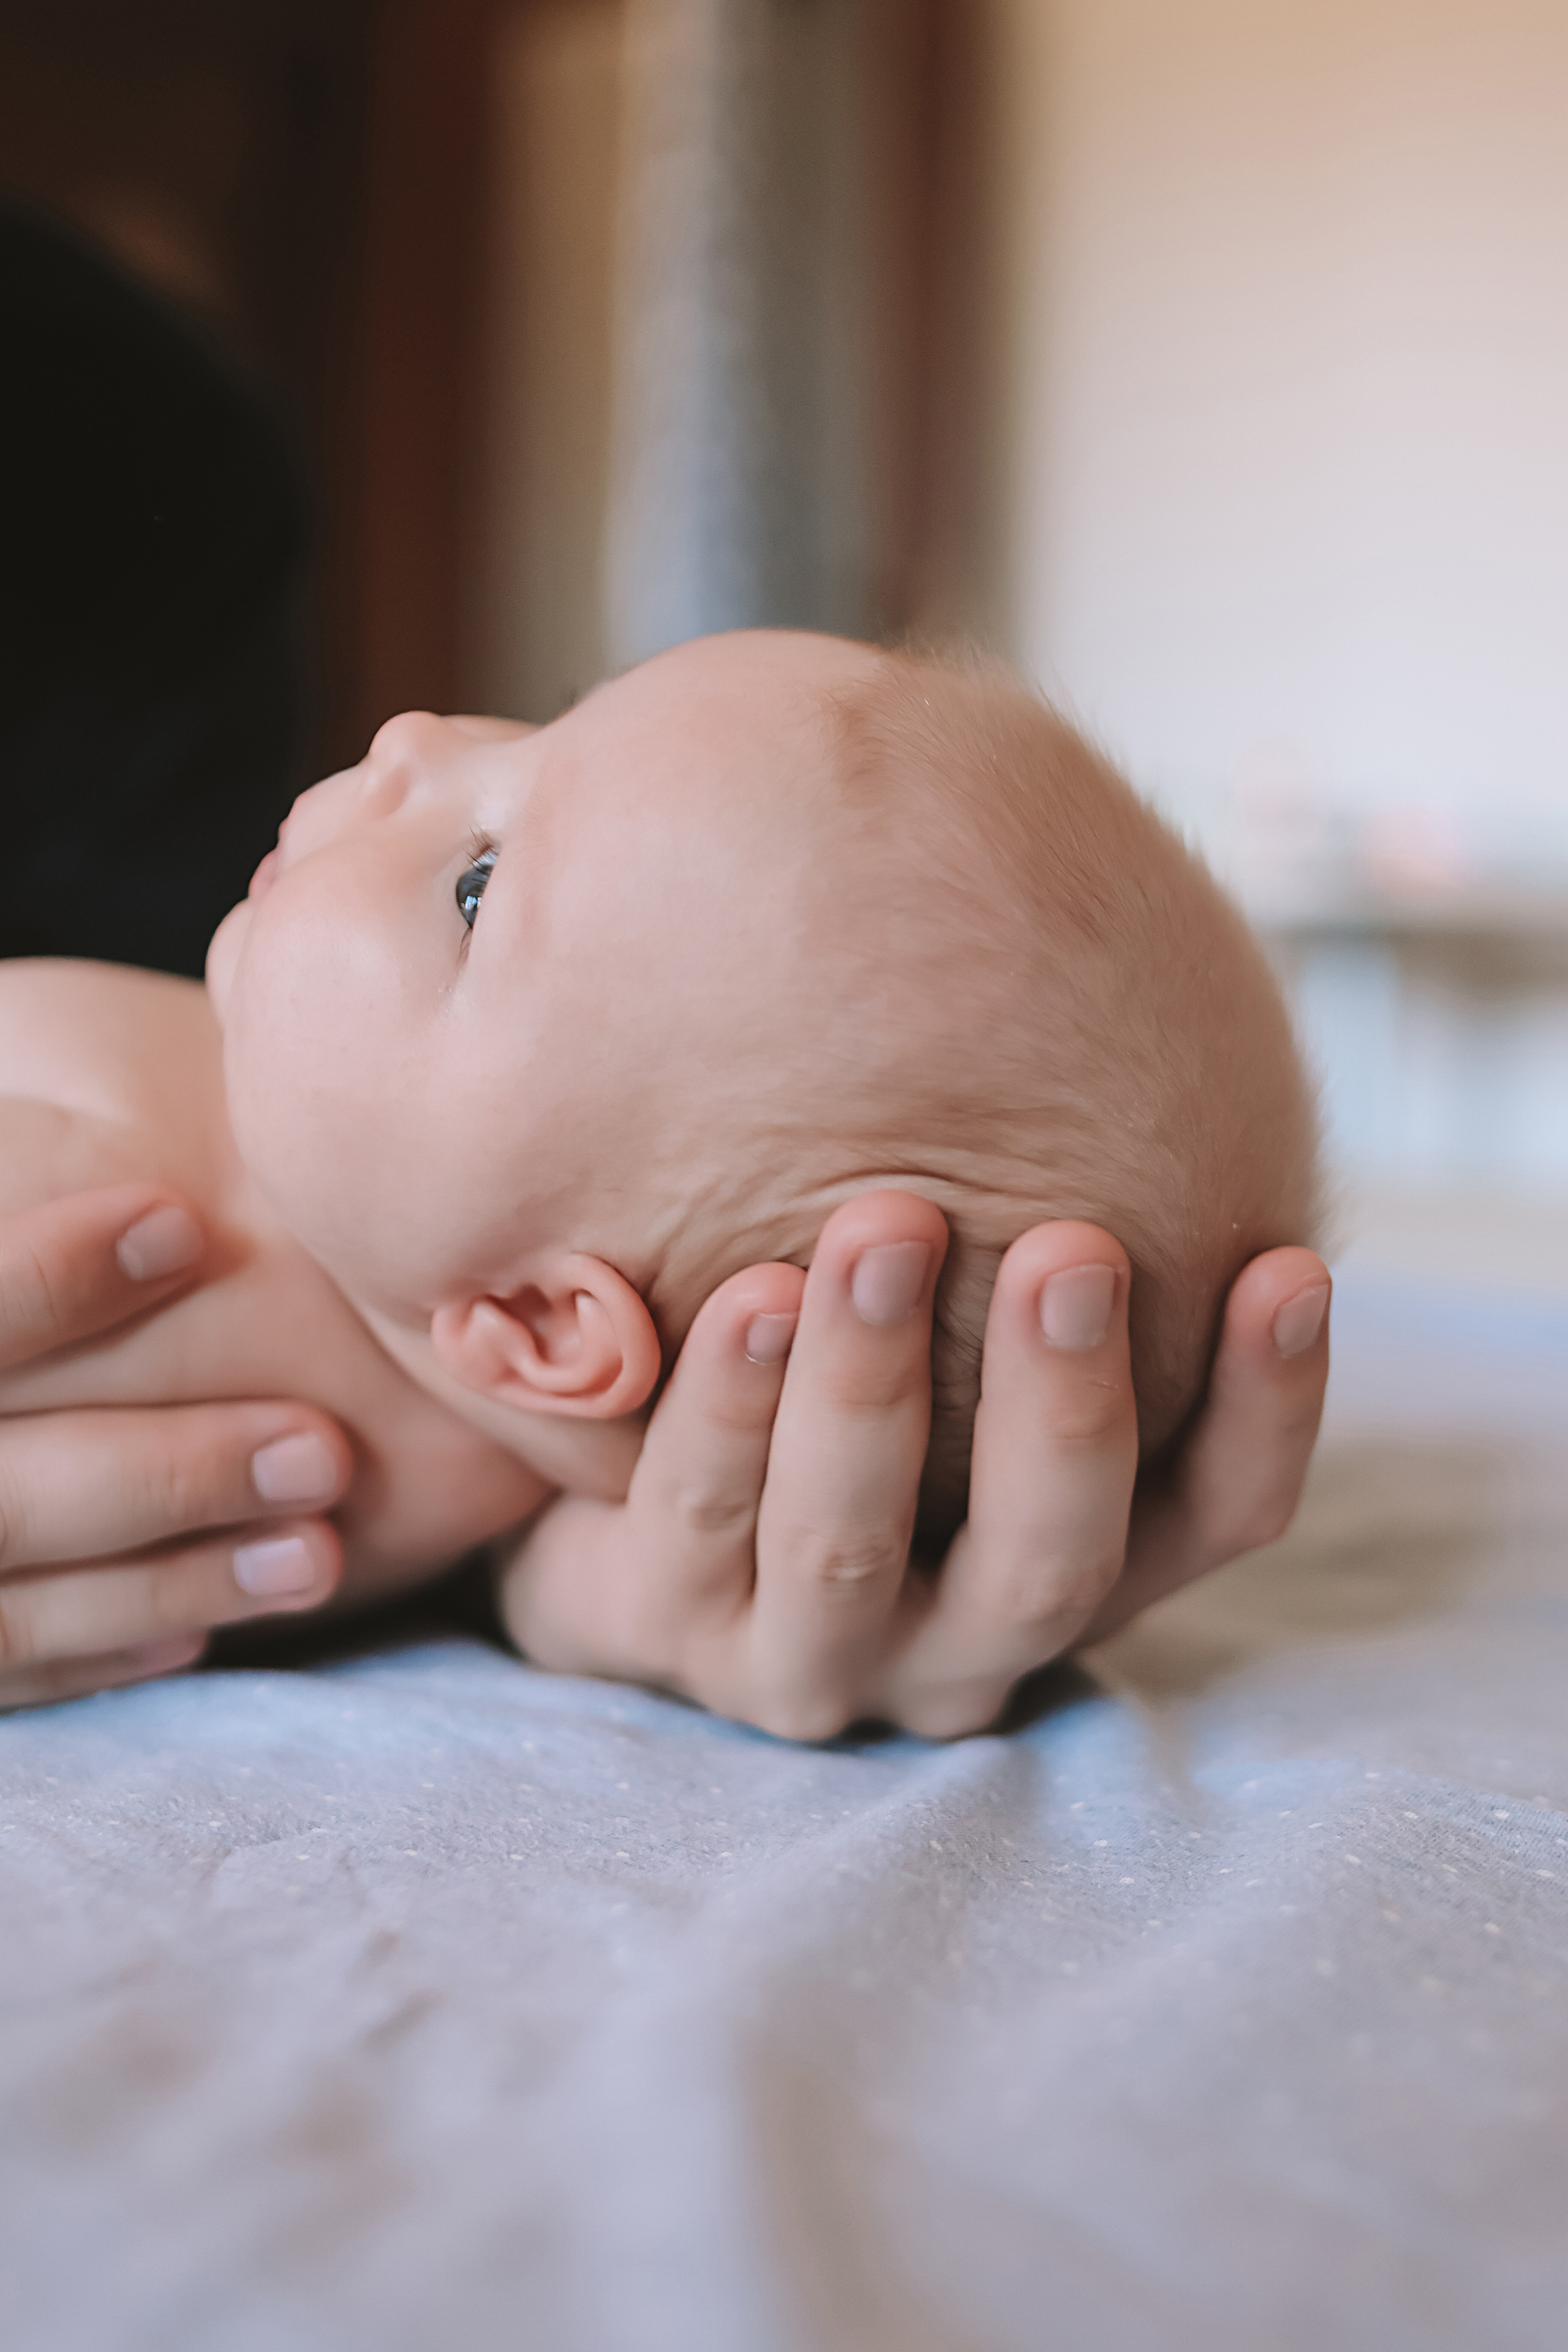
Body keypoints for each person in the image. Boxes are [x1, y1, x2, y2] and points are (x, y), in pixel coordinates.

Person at [0, 630, 1332, 1735]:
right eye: (548, 722)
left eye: (479, 882)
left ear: (541, 1329)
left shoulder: (102, 1191)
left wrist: (638, 1601)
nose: (411, 735)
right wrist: (583, 1594)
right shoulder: (477, 1451)